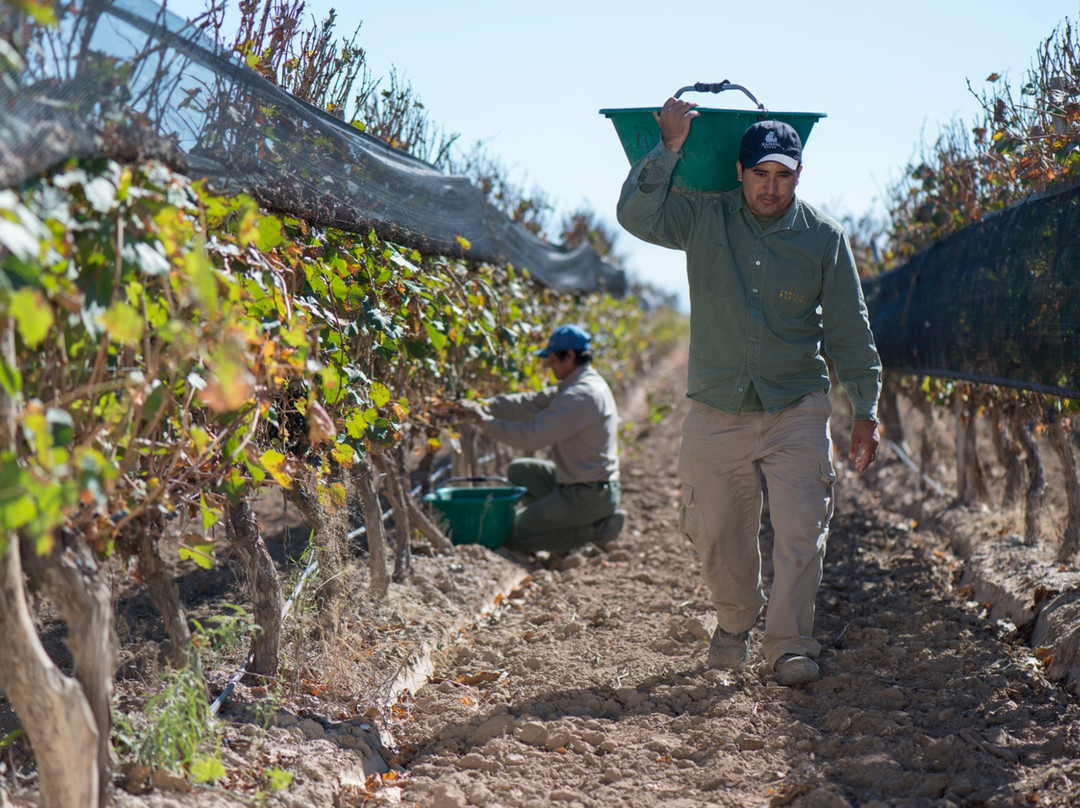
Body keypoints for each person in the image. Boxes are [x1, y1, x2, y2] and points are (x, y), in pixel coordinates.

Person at [616, 99, 882, 686]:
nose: (770, 186)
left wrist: (865, 409)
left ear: (798, 175)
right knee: (716, 533)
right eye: (760, 174)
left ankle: (790, 644)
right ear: (740, 173)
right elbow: (635, 215)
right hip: (718, 406)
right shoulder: (703, 219)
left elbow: (849, 330)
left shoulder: (824, 240)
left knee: (801, 531)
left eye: (782, 174)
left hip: (797, 408)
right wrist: (668, 148)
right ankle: (736, 620)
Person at [459, 324, 626, 556]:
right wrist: (484, 406)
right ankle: (563, 524)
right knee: (521, 470)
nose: (549, 364)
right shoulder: (580, 384)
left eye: (552, 358)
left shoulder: (580, 395)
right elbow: (531, 403)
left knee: (509, 533)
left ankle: (593, 530)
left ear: (569, 356)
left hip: (586, 495)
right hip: (581, 484)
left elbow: (531, 436)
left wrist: (484, 423)